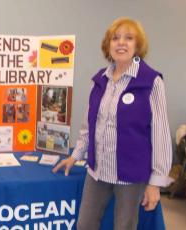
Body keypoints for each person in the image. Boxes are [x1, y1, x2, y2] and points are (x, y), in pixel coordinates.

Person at [52, 17, 172, 230]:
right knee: (85, 225)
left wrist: (155, 183)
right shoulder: (99, 80)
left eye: (129, 38)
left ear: (138, 45)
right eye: (115, 38)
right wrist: (75, 155)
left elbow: (160, 134)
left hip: (131, 175)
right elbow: (89, 126)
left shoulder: (151, 82)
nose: (121, 43)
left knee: (124, 226)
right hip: (98, 171)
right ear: (108, 45)